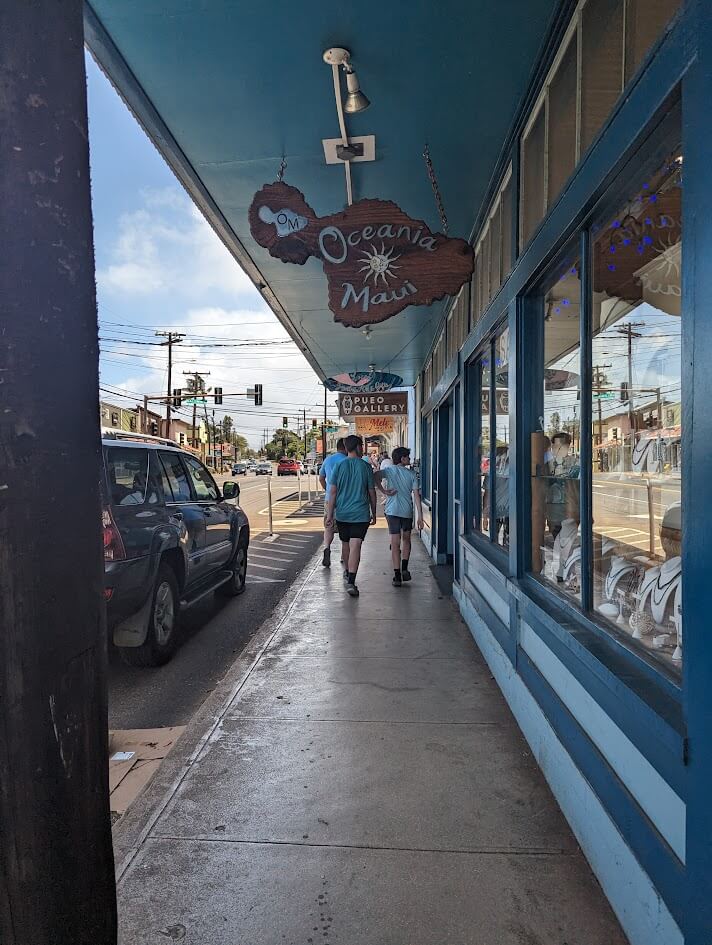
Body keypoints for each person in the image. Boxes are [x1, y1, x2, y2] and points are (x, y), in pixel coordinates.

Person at [325, 434, 376, 597]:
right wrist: (374, 512)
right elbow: (371, 493)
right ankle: (351, 581)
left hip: (342, 514)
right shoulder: (365, 467)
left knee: (346, 544)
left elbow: (332, 492)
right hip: (360, 514)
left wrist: (330, 515)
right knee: (356, 545)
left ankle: (347, 571)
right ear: (358, 447)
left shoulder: (339, 466)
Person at [376, 446, 424, 587]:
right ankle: (404, 568)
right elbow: (416, 496)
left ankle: (397, 575)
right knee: (406, 540)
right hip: (406, 512)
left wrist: (383, 490)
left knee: (395, 543)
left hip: (392, 512)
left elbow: (375, 476)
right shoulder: (411, 475)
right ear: (402, 459)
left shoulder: (389, 471)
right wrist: (420, 516)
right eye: (408, 457)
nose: (409, 459)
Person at [318, 438, 347, 568]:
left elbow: (321, 478)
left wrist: (327, 489)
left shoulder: (328, 460)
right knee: (344, 527)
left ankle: (327, 548)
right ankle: (343, 555)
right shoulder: (347, 460)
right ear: (346, 447)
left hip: (330, 498)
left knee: (328, 525)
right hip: (345, 498)